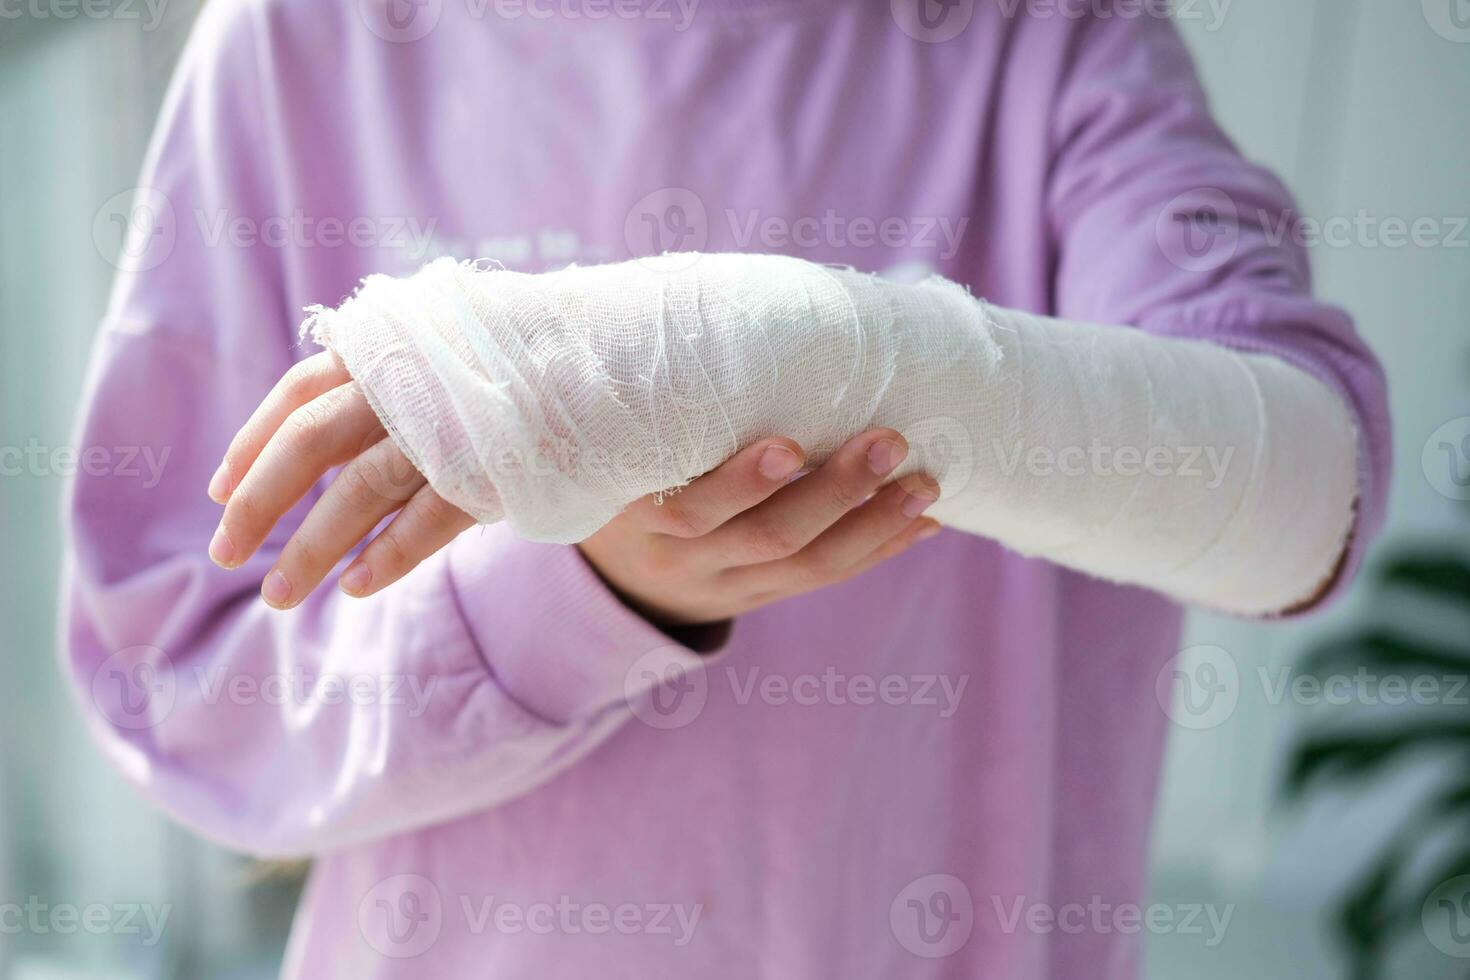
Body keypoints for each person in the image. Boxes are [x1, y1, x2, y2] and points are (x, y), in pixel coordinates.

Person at [62, 0, 1390, 976]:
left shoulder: (1047, 36)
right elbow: (175, 678)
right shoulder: (304, 43)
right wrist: (578, 588)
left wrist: (766, 354)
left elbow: (1291, 498)